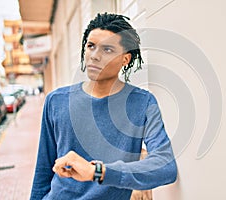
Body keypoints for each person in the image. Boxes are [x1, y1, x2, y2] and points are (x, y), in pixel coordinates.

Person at [30, 12, 177, 200]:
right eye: (91, 46)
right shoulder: (56, 101)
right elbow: (43, 173)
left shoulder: (143, 103)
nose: (94, 56)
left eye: (107, 50)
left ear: (126, 59)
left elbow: (165, 167)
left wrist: (97, 172)